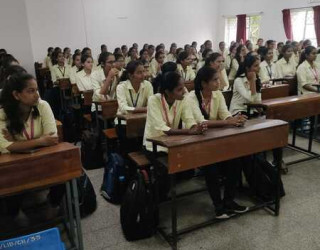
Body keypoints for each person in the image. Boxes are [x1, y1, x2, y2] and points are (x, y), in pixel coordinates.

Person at [187, 66, 248, 218]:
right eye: (215, 80)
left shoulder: (218, 95)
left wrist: (234, 120)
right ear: (203, 83)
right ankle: (218, 206)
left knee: (236, 161)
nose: (218, 82)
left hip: (215, 139)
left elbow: (224, 114)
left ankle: (229, 201)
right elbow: (201, 122)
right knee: (211, 167)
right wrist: (229, 123)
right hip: (197, 140)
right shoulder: (191, 98)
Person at [0, 73, 62, 218]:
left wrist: (18, 144)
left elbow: (52, 138)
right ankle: (14, 213)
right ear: (16, 95)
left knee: (64, 168)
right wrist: (40, 141)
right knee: (8, 179)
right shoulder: (3, 114)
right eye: (31, 91)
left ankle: (53, 203)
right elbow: (4, 147)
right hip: (15, 165)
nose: (37, 95)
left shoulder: (42, 106)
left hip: (42, 159)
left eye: (37, 90)